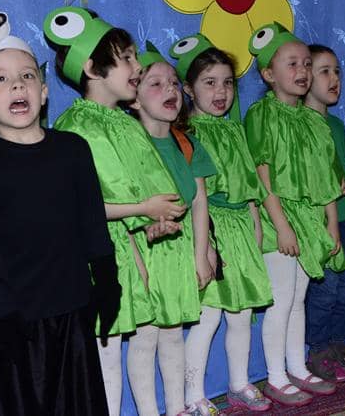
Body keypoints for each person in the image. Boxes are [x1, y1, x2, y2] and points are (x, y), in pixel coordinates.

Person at [0, 12, 119, 415]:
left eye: (27, 76)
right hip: (9, 321)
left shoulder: (73, 150)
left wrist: (107, 282)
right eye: (0, 78)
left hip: (71, 313)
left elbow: (93, 224)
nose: (17, 84)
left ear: (44, 91)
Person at [47, 6, 184, 415]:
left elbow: (146, 188)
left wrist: (153, 223)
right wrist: (144, 208)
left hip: (134, 250)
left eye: (134, 56)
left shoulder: (125, 123)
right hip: (97, 258)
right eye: (125, 58)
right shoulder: (76, 127)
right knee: (106, 350)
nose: (136, 66)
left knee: (141, 336)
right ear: (92, 68)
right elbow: (78, 207)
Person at [170, 36, 274, 412]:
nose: (221, 92)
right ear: (188, 89)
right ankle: (193, 395)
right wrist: (206, 246)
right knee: (209, 316)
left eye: (228, 83)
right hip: (211, 229)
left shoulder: (234, 129)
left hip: (241, 228)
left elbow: (249, 186)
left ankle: (239, 383)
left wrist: (256, 226)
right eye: (210, 82)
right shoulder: (188, 135)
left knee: (242, 314)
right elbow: (194, 195)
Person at [245, 23, 345, 407]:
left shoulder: (314, 121)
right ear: (268, 74)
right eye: (292, 64)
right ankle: (275, 377)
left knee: (299, 297)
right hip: (279, 219)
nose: (302, 71)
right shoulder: (261, 114)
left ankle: (297, 368)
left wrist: (331, 223)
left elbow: (326, 179)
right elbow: (262, 175)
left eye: (306, 63)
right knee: (281, 298)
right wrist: (282, 226)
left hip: (309, 219)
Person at [131, 47, 217, 416]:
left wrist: (202, 253)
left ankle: (177, 407)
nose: (170, 89)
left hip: (180, 250)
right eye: (155, 83)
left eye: (173, 83)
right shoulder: (130, 145)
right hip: (145, 254)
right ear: (133, 97)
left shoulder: (186, 142)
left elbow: (199, 202)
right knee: (145, 336)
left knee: (173, 333)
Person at [303, 44, 345, 382]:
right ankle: (317, 350)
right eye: (324, 71)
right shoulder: (300, 125)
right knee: (324, 290)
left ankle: (338, 342)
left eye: (337, 71)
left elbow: (340, 164)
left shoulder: (338, 125)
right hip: (320, 223)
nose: (334, 79)